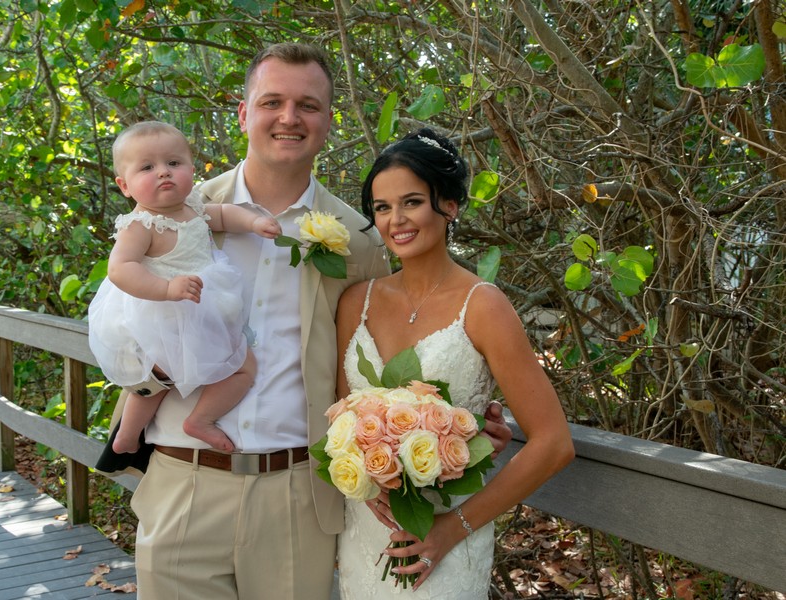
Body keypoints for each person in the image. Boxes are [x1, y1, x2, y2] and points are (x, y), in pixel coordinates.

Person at [125, 45, 513, 600]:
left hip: (298, 499)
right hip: (183, 480)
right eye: (272, 102)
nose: (289, 117)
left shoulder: (360, 240)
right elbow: (120, 320)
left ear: (328, 120)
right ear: (243, 113)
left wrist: (466, 425)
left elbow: (391, 358)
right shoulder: (170, 208)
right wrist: (153, 371)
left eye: (308, 105)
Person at [335, 128, 575, 598]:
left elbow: (554, 443)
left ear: (449, 205)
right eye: (382, 207)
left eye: (411, 202)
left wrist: (449, 528)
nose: (395, 220)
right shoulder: (354, 303)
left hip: (448, 540)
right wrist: (368, 481)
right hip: (368, 530)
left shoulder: (483, 306)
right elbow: (336, 420)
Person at [88, 121, 281, 456]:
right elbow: (120, 269)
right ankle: (133, 433)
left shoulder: (192, 205)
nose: (164, 173)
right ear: (124, 185)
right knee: (172, 376)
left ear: (192, 169)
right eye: (147, 167)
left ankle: (193, 421)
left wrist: (253, 222)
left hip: (201, 307)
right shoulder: (140, 225)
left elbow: (221, 216)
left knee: (174, 378)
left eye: (173, 163)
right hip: (164, 312)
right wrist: (166, 288)